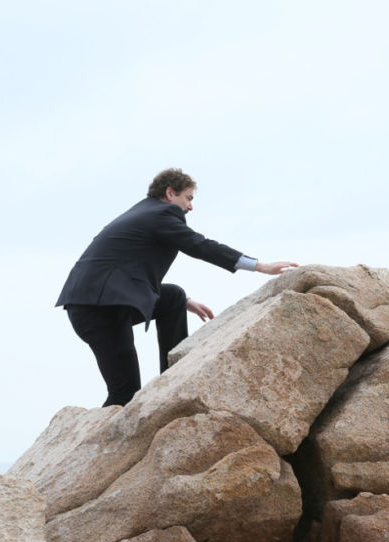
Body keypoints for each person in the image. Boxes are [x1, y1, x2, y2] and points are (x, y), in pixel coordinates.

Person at [56, 168, 297, 407]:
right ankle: (99, 442)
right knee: (124, 394)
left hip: (98, 302)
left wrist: (185, 302)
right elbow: (199, 245)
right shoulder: (162, 214)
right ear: (170, 193)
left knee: (173, 297)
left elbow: (124, 267)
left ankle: (173, 375)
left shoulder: (144, 212)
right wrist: (259, 266)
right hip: (100, 309)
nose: (190, 207)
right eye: (188, 198)